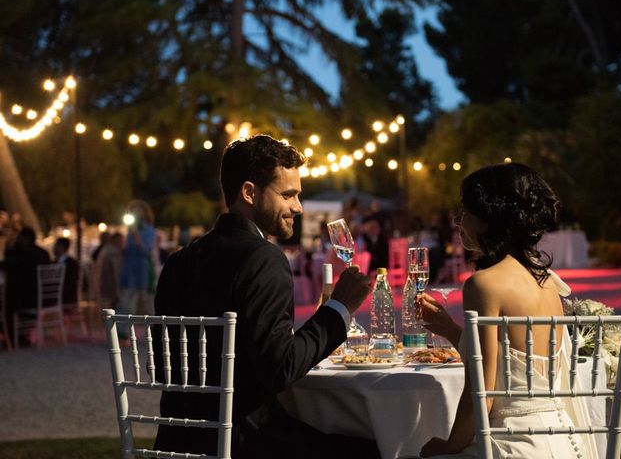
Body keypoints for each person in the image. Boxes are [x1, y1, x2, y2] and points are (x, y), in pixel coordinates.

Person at [153, 135, 377, 458]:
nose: (297, 207)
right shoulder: (262, 258)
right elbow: (279, 369)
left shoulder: (178, 262)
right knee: (372, 448)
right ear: (249, 192)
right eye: (288, 195)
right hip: (243, 443)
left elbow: (162, 366)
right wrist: (338, 308)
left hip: (177, 442)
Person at [416, 163, 597, 458]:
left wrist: (446, 448)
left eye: (465, 210)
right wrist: (450, 329)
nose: (457, 220)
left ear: (490, 217)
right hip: (564, 442)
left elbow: (482, 396)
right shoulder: (549, 283)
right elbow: (516, 368)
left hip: (511, 444)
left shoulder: (483, 285)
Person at [0, 227, 50, 343]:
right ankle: (19, 336)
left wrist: (11, 247)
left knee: (6, 304)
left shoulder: (21, 254)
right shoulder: (43, 253)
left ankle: (12, 338)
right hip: (43, 297)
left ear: (25, 239)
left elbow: (6, 264)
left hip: (25, 300)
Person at [117, 200, 157, 332]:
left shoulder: (149, 230)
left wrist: (135, 234)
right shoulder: (129, 231)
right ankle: (123, 332)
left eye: (138, 211)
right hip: (129, 269)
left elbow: (146, 250)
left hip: (143, 270)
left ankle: (154, 331)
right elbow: (127, 249)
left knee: (147, 303)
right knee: (127, 302)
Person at [53, 237, 79, 307]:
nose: (53, 248)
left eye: (55, 246)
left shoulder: (72, 263)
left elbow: (71, 282)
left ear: (61, 247)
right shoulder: (54, 262)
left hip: (67, 296)